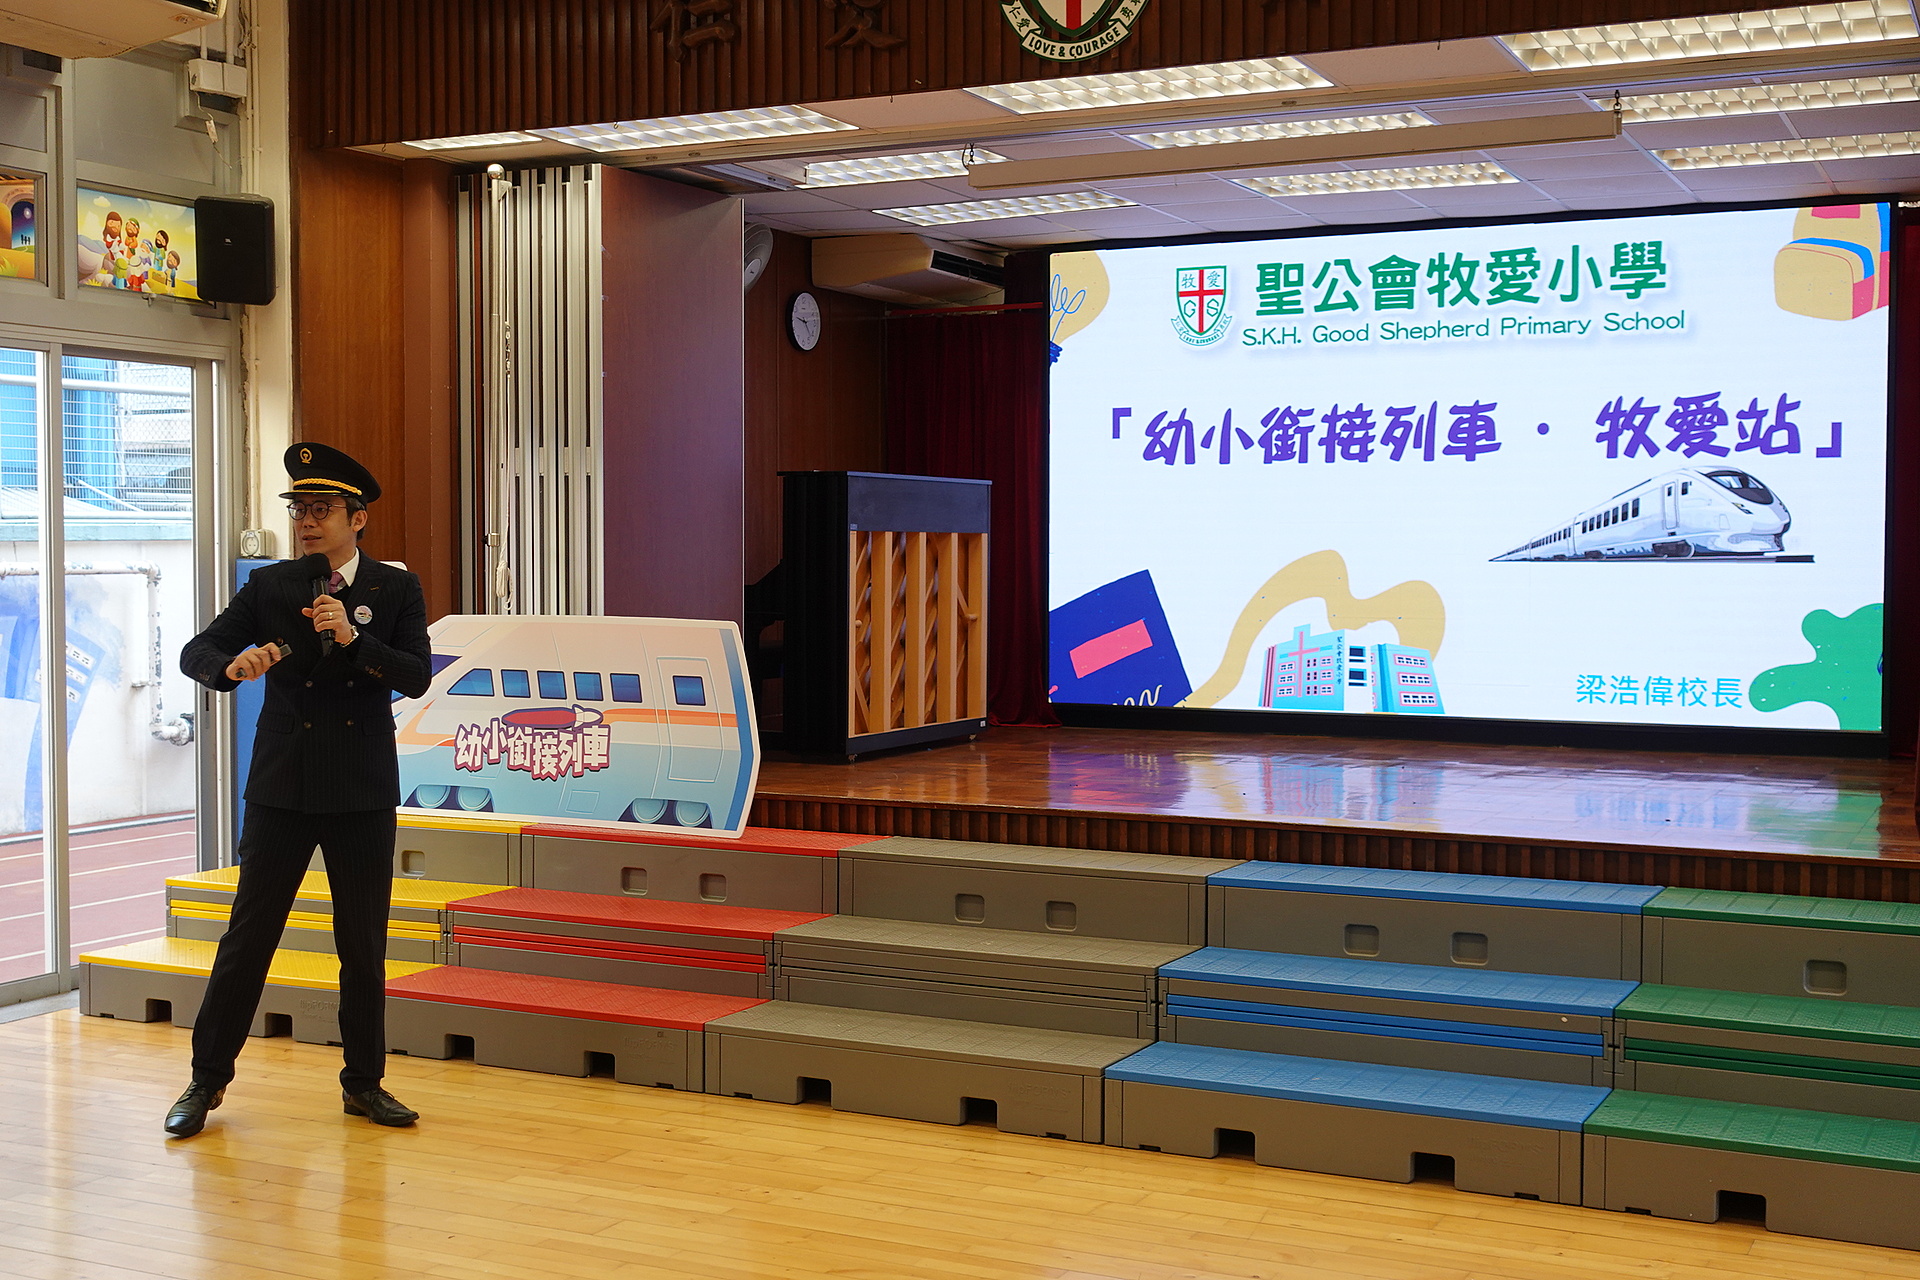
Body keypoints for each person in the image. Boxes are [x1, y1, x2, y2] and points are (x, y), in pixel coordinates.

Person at [165, 443, 432, 1138]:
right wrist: (232, 666)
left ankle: (364, 1084)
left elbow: (416, 676)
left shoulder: (396, 590)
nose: (307, 523)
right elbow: (197, 651)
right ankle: (205, 1079)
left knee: (362, 944)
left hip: (360, 789)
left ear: (357, 518)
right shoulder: (271, 586)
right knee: (249, 936)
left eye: (322, 510)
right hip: (282, 786)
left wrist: (353, 640)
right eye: (300, 510)